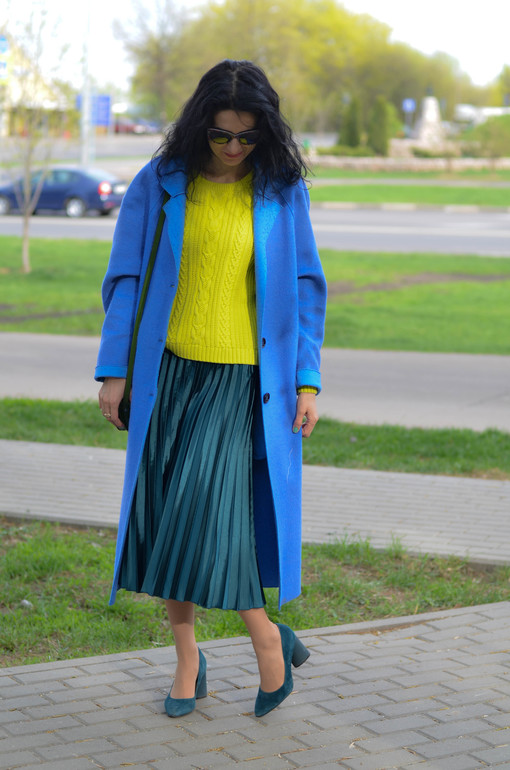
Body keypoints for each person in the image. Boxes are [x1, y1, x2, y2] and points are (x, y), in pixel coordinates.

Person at [96, 59, 327, 719]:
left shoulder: (280, 192)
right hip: (167, 373)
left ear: (265, 133)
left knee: (206, 519)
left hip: (241, 380)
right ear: (200, 125)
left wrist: (307, 380)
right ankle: (188, 660)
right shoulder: (161, 183)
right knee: (165, 514)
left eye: (247, 136)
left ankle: (267, 641)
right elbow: (126, 280)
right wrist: (114, 371)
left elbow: (306, 290)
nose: (232, 147)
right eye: (221, 134)